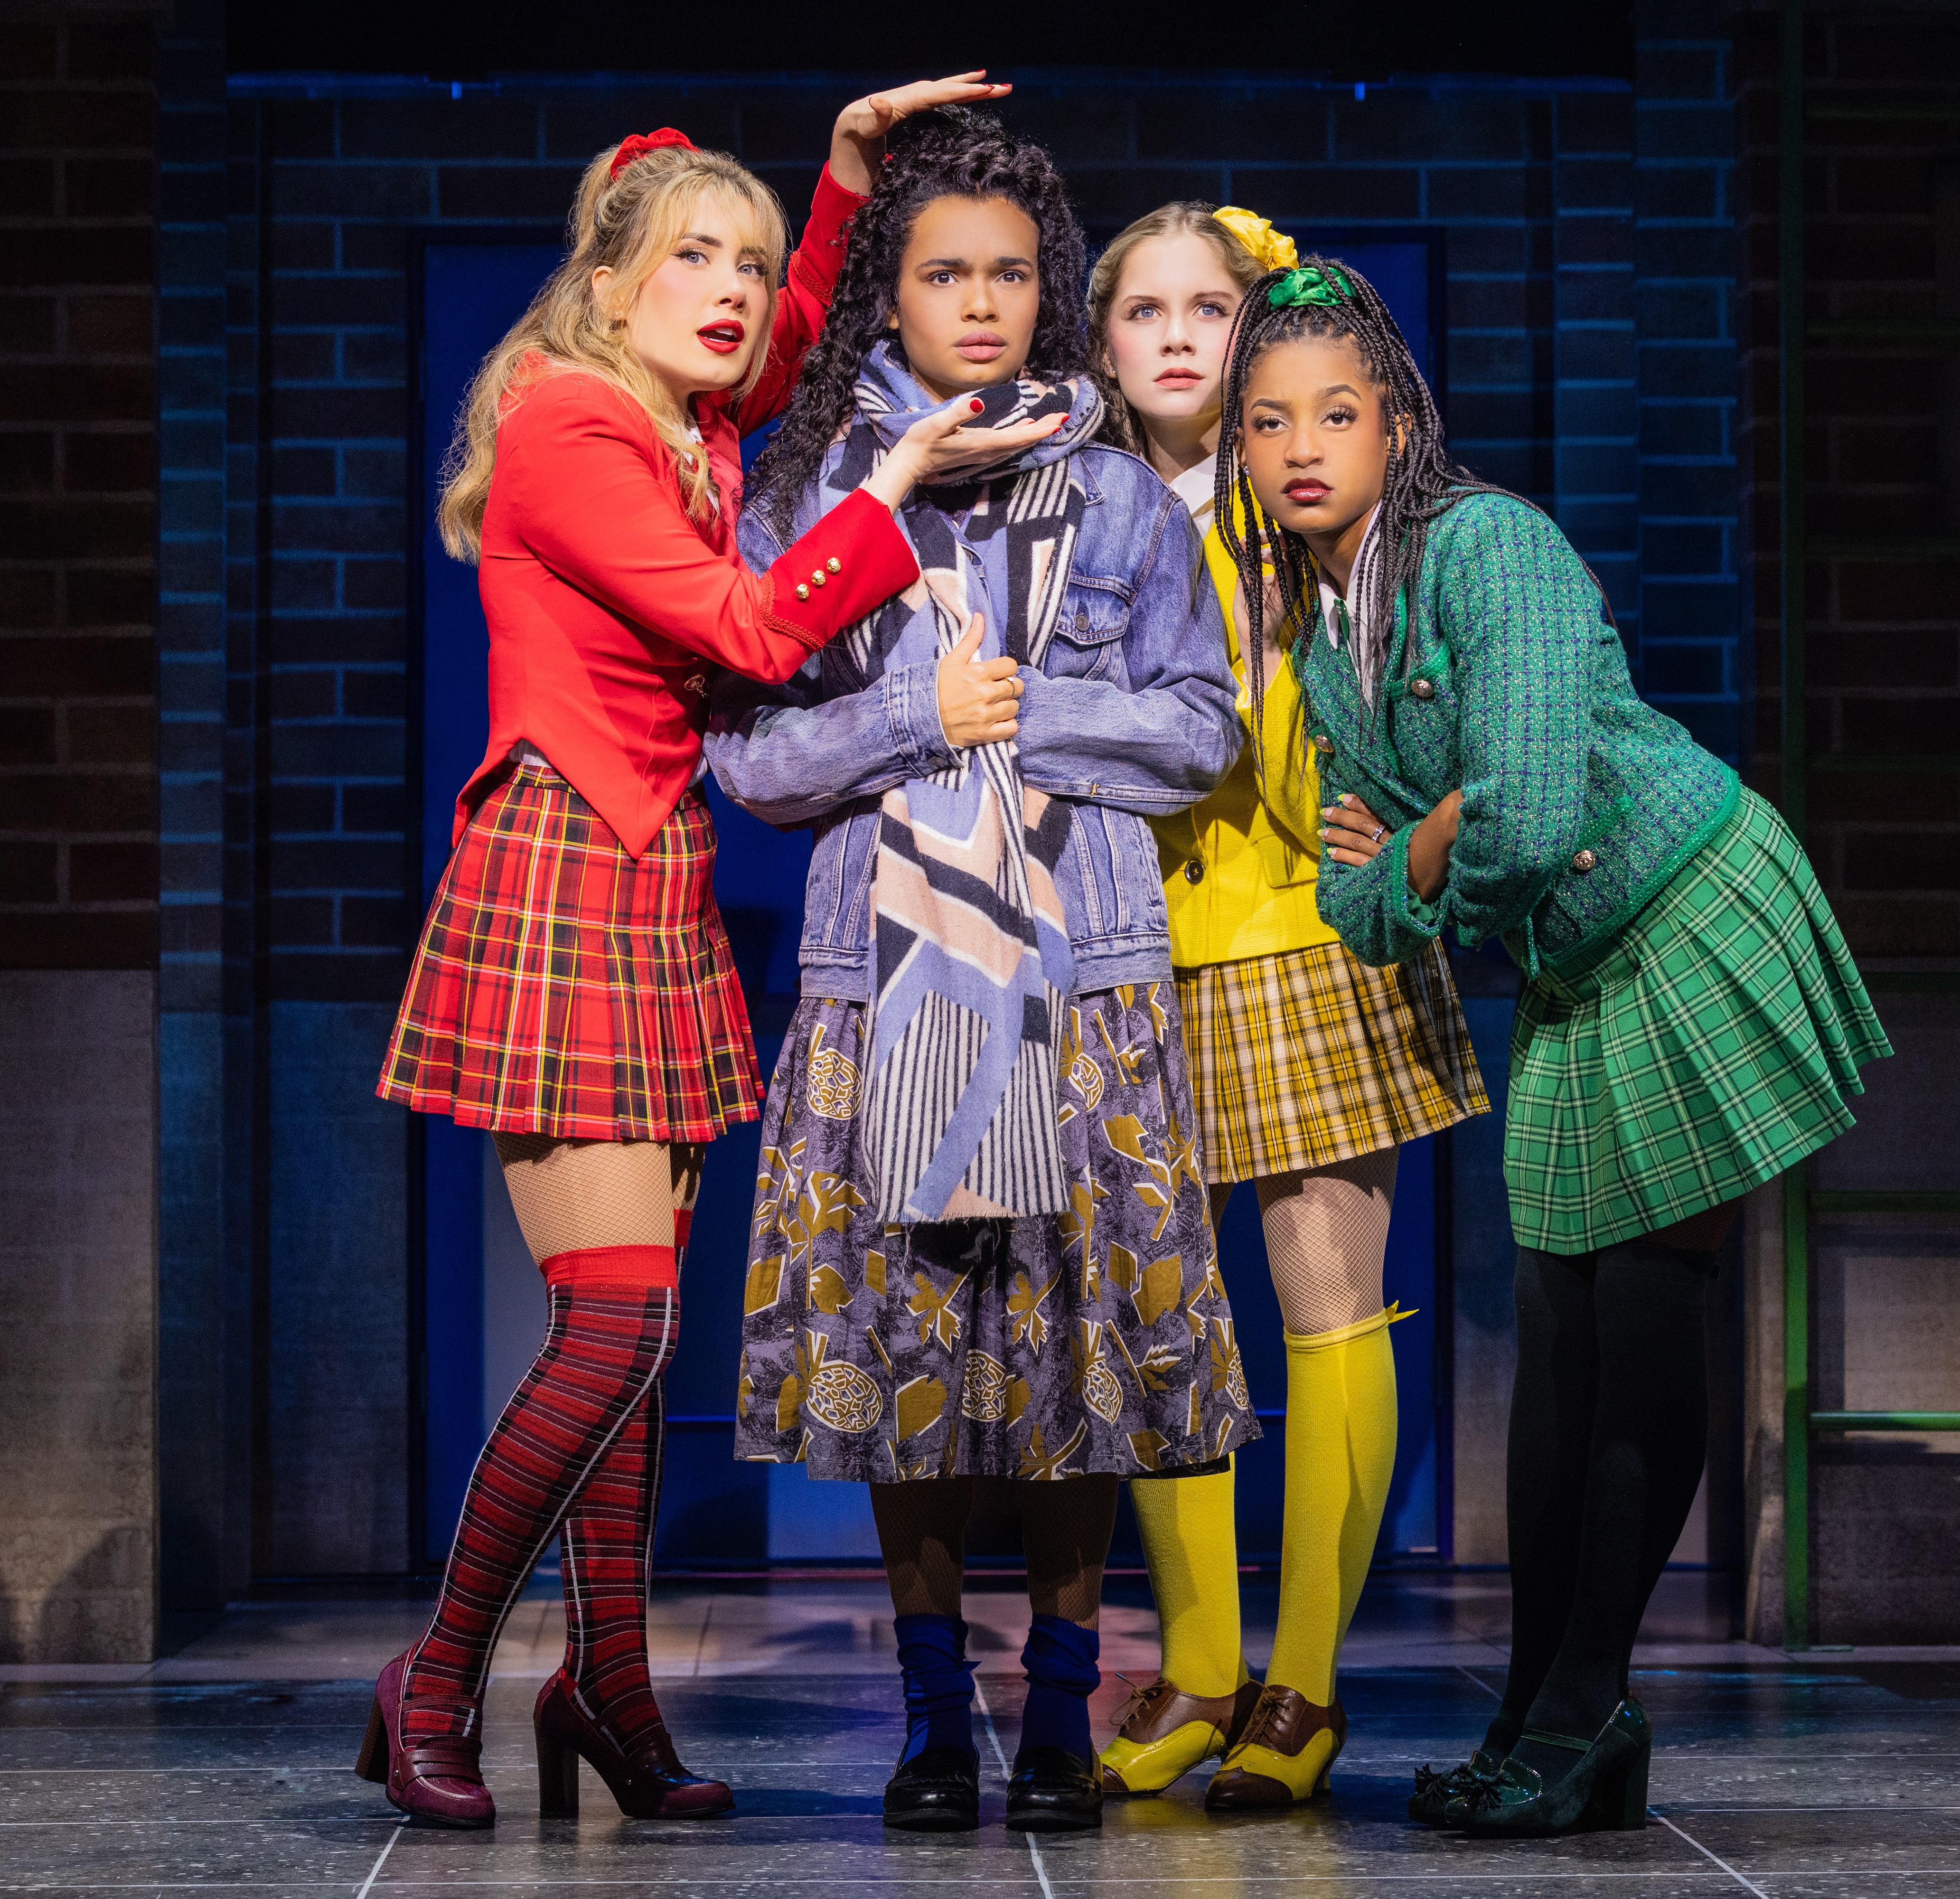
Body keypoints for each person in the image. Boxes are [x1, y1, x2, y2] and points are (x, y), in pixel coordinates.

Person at [362, 76, 1058, 1830]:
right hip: (563, 869)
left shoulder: (677, 414)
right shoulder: (572, 428)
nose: (737, 292)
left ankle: (607, 1688)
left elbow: (792, 327)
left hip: (653, 875)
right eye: (695, 258)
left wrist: (839, 178)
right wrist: (893, 479)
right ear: (608, 284)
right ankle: (435, 1674)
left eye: (746, 262)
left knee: (638, 1348)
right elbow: (751, 628)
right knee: (612, 1334)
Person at [1216, 255, 1890, 1837]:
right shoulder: (1324, 625)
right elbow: (1356, 900)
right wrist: (1425, 845)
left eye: (1335, 414)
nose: (1302, 448)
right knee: (1555, 1346)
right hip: (1574, 978)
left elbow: (1518, 821)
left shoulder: (1488, 548)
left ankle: (1588, 1709)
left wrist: (1425, 848)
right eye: (1268, 423)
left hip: (1686, 915)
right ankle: (1539, 1707)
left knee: (1644, 1320)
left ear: (1396, 427)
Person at [711, 107, 1255, 1836]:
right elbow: (750, 755)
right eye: (947, 273)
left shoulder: (1116, 493)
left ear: (1047, 292)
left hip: (1083, 969)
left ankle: (1064, 1716)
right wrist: (910, 715)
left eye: (1013, 275)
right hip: (885, 974)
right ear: (893, 291)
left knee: (1076, 1364)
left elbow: (1203, 731)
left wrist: (1025, 711)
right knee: (916, 1361)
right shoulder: (812, 491)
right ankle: (938, 1719)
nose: (982, 304)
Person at [1083, 206, 1489, 1809]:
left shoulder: (1314, 490)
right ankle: (1198, 1667)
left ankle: (1304, 1685)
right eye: (1147, 310)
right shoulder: (1078, 499)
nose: (1181, 336)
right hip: (1129, 946)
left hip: (1309, 929)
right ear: (1102, 340)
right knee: (1160, 1321)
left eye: (1213, 307)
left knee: (1329, 1310)